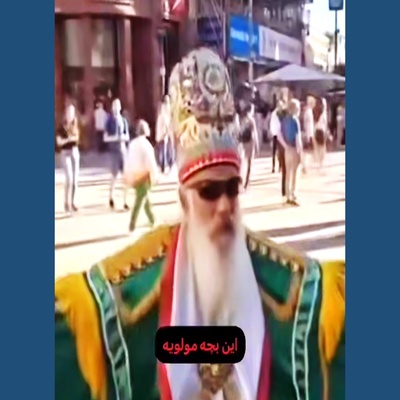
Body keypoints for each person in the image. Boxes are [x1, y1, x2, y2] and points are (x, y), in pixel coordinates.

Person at [55, 48, 345, 400]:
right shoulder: (120, 296)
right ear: (183, 200)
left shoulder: (298, 289)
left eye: (232, 189)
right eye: (209, 191)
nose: (225, 206)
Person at [124, 119, 159, 232]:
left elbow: (128, 160)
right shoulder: (146, 145)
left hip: (134, 174)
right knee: (140, 199)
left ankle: (152, 219)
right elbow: (150, 162)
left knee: (143, 197)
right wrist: (155, 174)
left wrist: (128, 173)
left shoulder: (132, 144)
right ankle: (132, 224)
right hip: (144, 175)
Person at [104, 98, 130, 210]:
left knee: (125, 176)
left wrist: (122, 137)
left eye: (117, 106)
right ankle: (111, 197)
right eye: (114, 106)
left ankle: (125, 201)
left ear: (120, 107)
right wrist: (114, 138)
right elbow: (105, 137)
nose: (116, 108)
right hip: (113, 151)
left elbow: (127, 136)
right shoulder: (109, 121)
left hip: (122, 149)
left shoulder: (123, 120)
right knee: (114, 176)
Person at [56, 103, 80, 213]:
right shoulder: (61, 127)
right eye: (69, 112)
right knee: (69, 179)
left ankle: (73, 202)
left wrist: (71, 139)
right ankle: (66, 202)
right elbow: (59, 142)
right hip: (65, 153)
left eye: (72, 112)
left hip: (74, 152)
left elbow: (77, 138)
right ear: (66, 114)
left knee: (75, 180)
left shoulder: (75, 124)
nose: (71, 114)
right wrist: (68, 139)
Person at [279, 99, 303, 206]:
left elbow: (280, 134)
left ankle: (287, 195)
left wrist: (285, 145)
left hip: (287, 149)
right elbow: (298, 138)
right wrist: (300, 151)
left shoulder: (284, 120)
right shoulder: (295, 121)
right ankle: (293, 194)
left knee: (288, 173)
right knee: (295, 172)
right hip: (294, 148)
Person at [238, 104, 259, 189]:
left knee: (242, 162)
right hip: (250, 141)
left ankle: (240, 181)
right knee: (250, 162)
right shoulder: (251, 120)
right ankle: (247, 182)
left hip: (243, 142)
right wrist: (257, 145)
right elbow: (254, 133)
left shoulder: (241, 119)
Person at [156, 95, 174, 173]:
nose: (167, 103)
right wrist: (164, 132)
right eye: (166, 101)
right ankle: (163, 166)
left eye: (168, 101)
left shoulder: (170, 110)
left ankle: (169, 165)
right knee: (163, 151)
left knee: (170, 150)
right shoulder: (162, 113)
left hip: (169, 134)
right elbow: (162, 124)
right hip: (163, 135)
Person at [313, 97, 328, 170]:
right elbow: (324, 124)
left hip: (318, 130)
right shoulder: (323, 113)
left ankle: (319, 161)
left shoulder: (317, 112)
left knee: (319, 147)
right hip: (321, 130)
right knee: (322, 147)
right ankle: (320, 162)